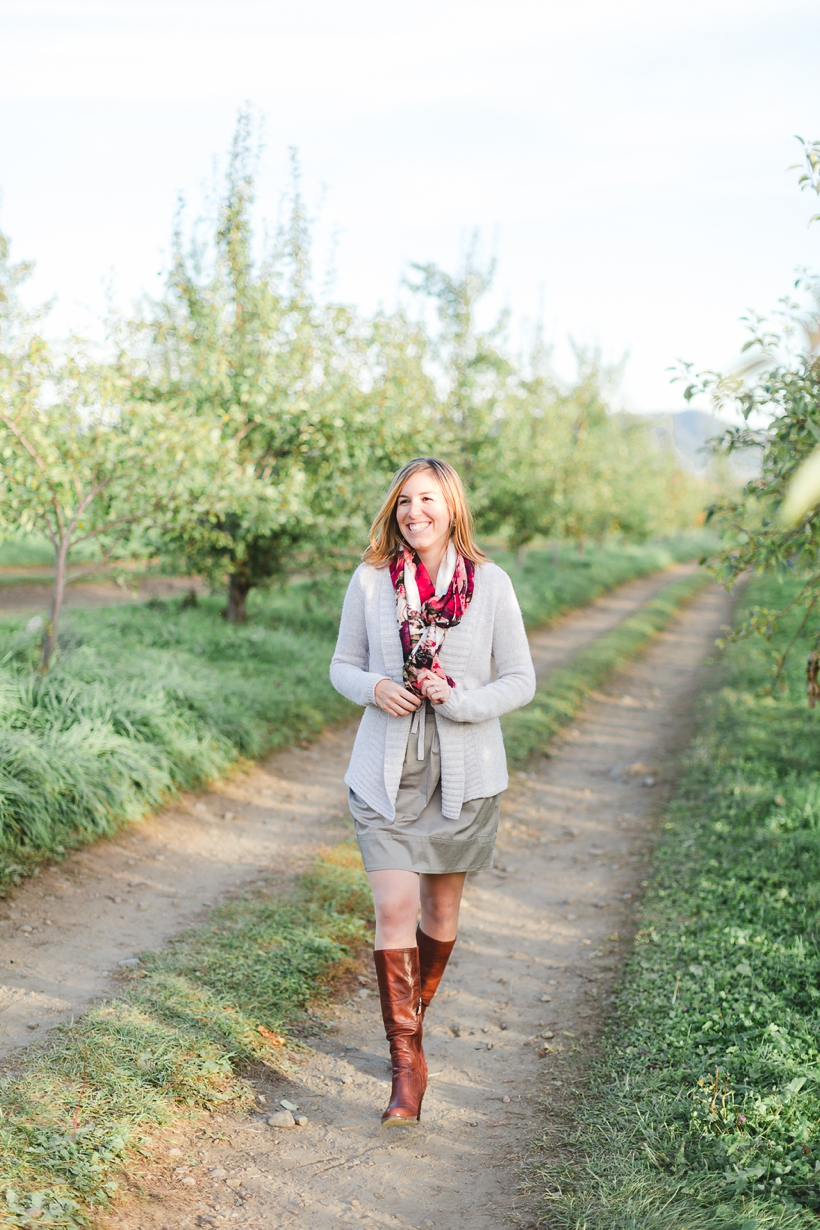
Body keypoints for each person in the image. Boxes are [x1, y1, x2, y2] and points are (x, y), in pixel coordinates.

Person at [329, 457, 535, 1126]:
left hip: (463, 776)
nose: (414, 512)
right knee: (393, 908)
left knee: (439, 917)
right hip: (384, 773)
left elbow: (521, 680)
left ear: (451, 508)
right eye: (404, 502)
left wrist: (460, 701)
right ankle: (406, 1062)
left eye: (427, 500)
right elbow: (343, 666)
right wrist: (373, 687)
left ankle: (410, 1018)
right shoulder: (369, 583)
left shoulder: (492, 584)